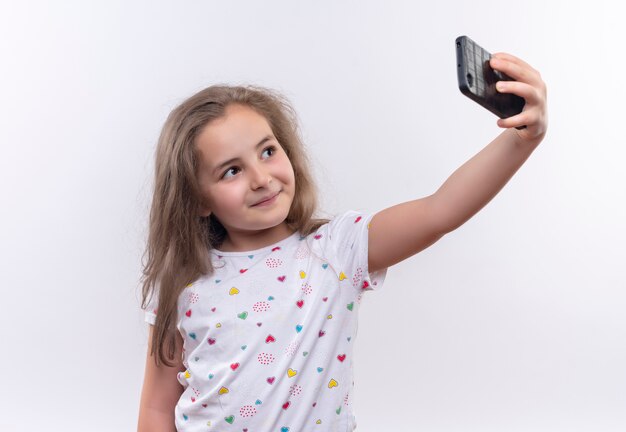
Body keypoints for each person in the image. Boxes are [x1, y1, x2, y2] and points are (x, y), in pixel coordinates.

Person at [137, 52, 547, 432]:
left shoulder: (335, 249)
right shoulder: (184, 279)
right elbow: (157, 407)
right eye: (231, 171)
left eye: (267, 151)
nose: (261, 178)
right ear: (197, 199)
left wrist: (521, 139)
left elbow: (440, 211)